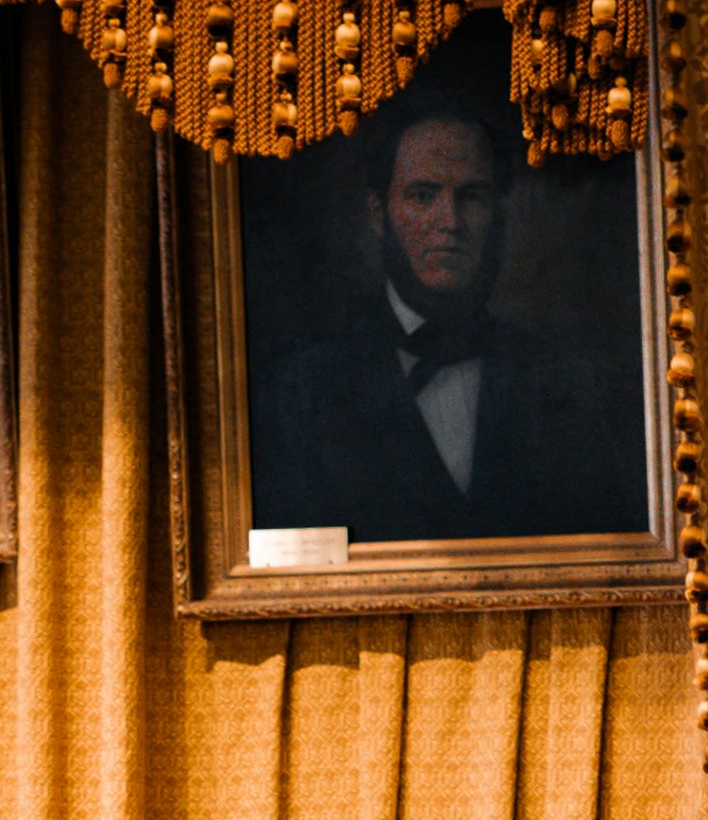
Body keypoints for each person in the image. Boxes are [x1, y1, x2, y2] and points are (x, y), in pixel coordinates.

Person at [249, 77, 647, 542]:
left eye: (471, 197)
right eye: (422, 196)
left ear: (497, 213)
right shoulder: (303, 393)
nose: (450, 222)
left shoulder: (562, 381)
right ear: (380, 214)